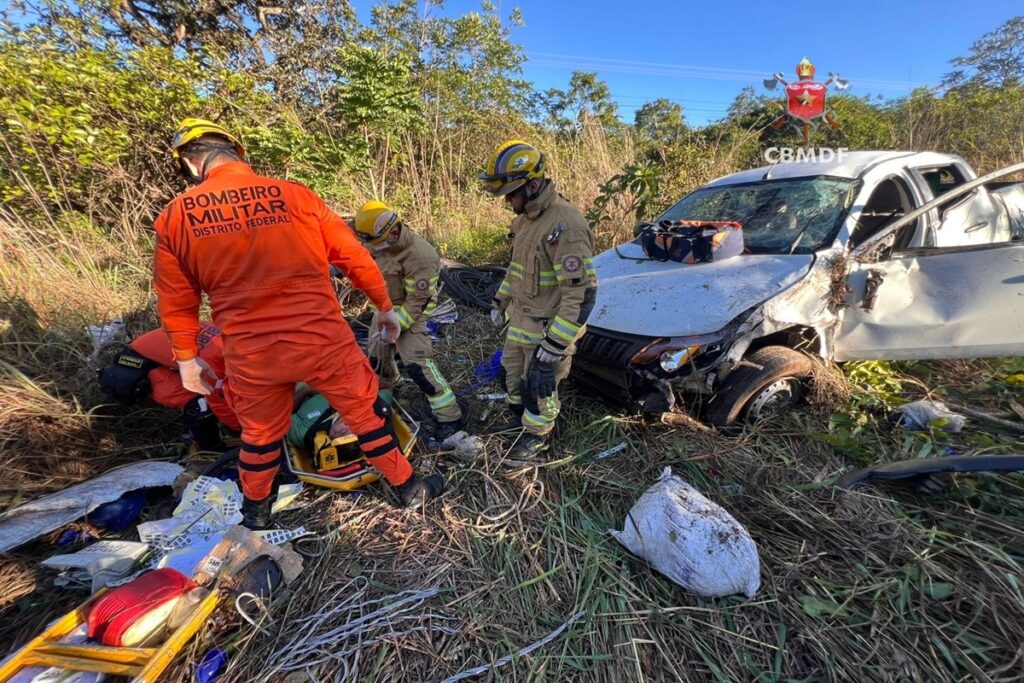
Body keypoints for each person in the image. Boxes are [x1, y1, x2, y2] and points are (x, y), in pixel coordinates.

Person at [153, 118, 442, 529]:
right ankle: (409, 489)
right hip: (322, 339)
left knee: (258, 437)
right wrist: (383, 305)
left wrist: (185, 358)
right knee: (363, 415)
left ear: (191, 164)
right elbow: (354, 259)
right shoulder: (297, 196)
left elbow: (176, 298)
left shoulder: (175, 217)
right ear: (237, 153)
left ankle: (255, 517)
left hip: (253, 354)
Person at [479, 140, 598, 458]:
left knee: (539, 385)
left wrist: (556, 344)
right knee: (510, 377)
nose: (507, 202)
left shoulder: (565, 225)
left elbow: (582, 294)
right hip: (520, 320)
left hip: (548, 329)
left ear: (532, 185)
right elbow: (517, 270)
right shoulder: (524, 220)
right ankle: (520, 421)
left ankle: (537, 437)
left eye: (511, 195)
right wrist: (499, 301)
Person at [353, 200, 465, 440]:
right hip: (383, 313)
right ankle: (389, 391)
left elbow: (418, 301)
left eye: (375, 243)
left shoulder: (421, 256)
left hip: (411, 318)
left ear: (392, 233)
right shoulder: (378, 242)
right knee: (376, 360)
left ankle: (450, 417)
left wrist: (396, 327)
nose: (372, 248)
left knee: (418, 367)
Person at [98, 323, 238, 451]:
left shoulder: (237, 338)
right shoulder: (214, 361)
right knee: (199, 401)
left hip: (153, 353)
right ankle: (211, 450)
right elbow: (217, 399)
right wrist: (241, 431)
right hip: (140, 365)